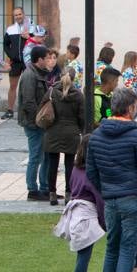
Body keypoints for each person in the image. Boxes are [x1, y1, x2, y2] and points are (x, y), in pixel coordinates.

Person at [86, 87, 137, 272]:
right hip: (131, 196)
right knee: (127, 248)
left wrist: (105, 189)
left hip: (111, 198)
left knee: (113, 246)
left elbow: (91, 171)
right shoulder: (136, 136)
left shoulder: (96, 136)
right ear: (130, 108)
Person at [54, 135, 105, 272]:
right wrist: (104, 220)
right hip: (85, 214)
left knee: (83, 252)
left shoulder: (76, 168)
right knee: (84, 255)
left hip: (77, 212)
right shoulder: (90, 172)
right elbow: (98, 197)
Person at [43, 66, 85, 205]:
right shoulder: (78, 95)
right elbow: (82, 116)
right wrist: (80, 129)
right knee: (70, 164)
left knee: (52, 164)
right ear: (74, 78)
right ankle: (69, 192)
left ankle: (52, 194)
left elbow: (42, 108)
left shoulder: (51, 91)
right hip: (71, 132)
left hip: (53, 131)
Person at [18, 44, 51, 201]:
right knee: (35, 156)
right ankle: (32, 189)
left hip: (39, 122)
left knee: (44, 156)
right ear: (39, 60)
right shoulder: (29, 75)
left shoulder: (38, 73)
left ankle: (44, 188)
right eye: (47, 58)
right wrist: (41, 118)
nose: (49, 61)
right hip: (34, 123)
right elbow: (29, 102)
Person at [3, 7, 31, 119]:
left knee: (29, 86)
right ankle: (10, 110)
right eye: (16, 15)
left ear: (23, 14)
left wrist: (29, 36)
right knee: (13, 86)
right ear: (13, 17)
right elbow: (5, 45)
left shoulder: (31, 27)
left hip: (28, 62)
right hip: (15, 62)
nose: (18, 16)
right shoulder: (10, 29)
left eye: (20, 14)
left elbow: (39, 40)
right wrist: (11, 56)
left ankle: (28, 111)